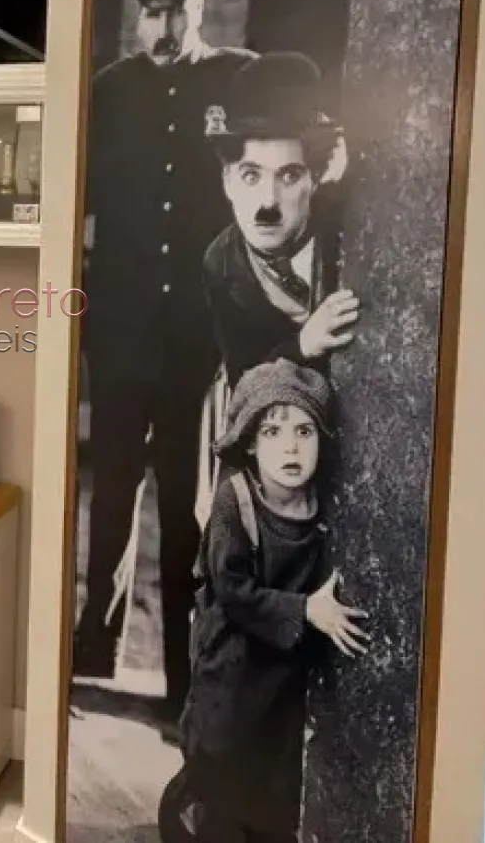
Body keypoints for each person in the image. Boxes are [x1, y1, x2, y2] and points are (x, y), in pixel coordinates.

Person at [75, 0, 258, 721]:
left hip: (195, 338)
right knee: (110, 493)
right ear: (137, 16)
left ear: (199, 5)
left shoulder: (237, 80)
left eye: (176, 9)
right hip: (120, 331)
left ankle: (184, 679)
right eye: (151, 12)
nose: (164, 27)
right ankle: (92, 651)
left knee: (187, 507)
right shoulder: (109, 91)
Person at [158, 358, 369, 843]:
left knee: (270, 778)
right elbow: (231, 588)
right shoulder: (235, 501)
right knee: (218, 765)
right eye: (273, 432)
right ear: (250, 443)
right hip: (230, 666)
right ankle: (186, 812)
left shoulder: (320, 505)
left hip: (280, 672)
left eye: (304, 431)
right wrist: (304, 610)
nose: (290, 446)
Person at [203, 52, 357, 388]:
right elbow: (243, 373)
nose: (268, 202)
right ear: (228, 182)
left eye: (289, 176)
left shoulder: (347, 234)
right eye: (251, 176)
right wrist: (302, 345)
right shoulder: (222, 261)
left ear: (315, 179)